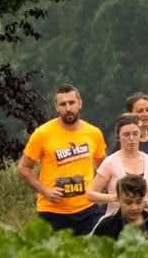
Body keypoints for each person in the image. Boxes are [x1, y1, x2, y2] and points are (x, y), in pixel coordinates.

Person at [17, 84, 108, 235]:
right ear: (56, 107)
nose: (68, 108)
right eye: (63, 104)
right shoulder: (42, 134)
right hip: (53, 211)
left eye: (71, 103)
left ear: (80, 103)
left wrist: (108, 195)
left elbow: (104, 168)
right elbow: (23, 168)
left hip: (87, 210)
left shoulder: (93, 133)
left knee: (94, 255)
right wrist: (45, 191)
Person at [91, 116, 148, 220]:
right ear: (118, 137)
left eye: (135, 134)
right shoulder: (110, 162)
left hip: (145, 223)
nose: (131, 138)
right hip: (115, 222)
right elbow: (91, 194)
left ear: (140, 135)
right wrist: (114, 197)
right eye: (126, 135)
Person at [91, 174, 148, 240]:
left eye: (138, 202)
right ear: (119, 199)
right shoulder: (106, 226)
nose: (134, 207)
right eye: (128, 203)